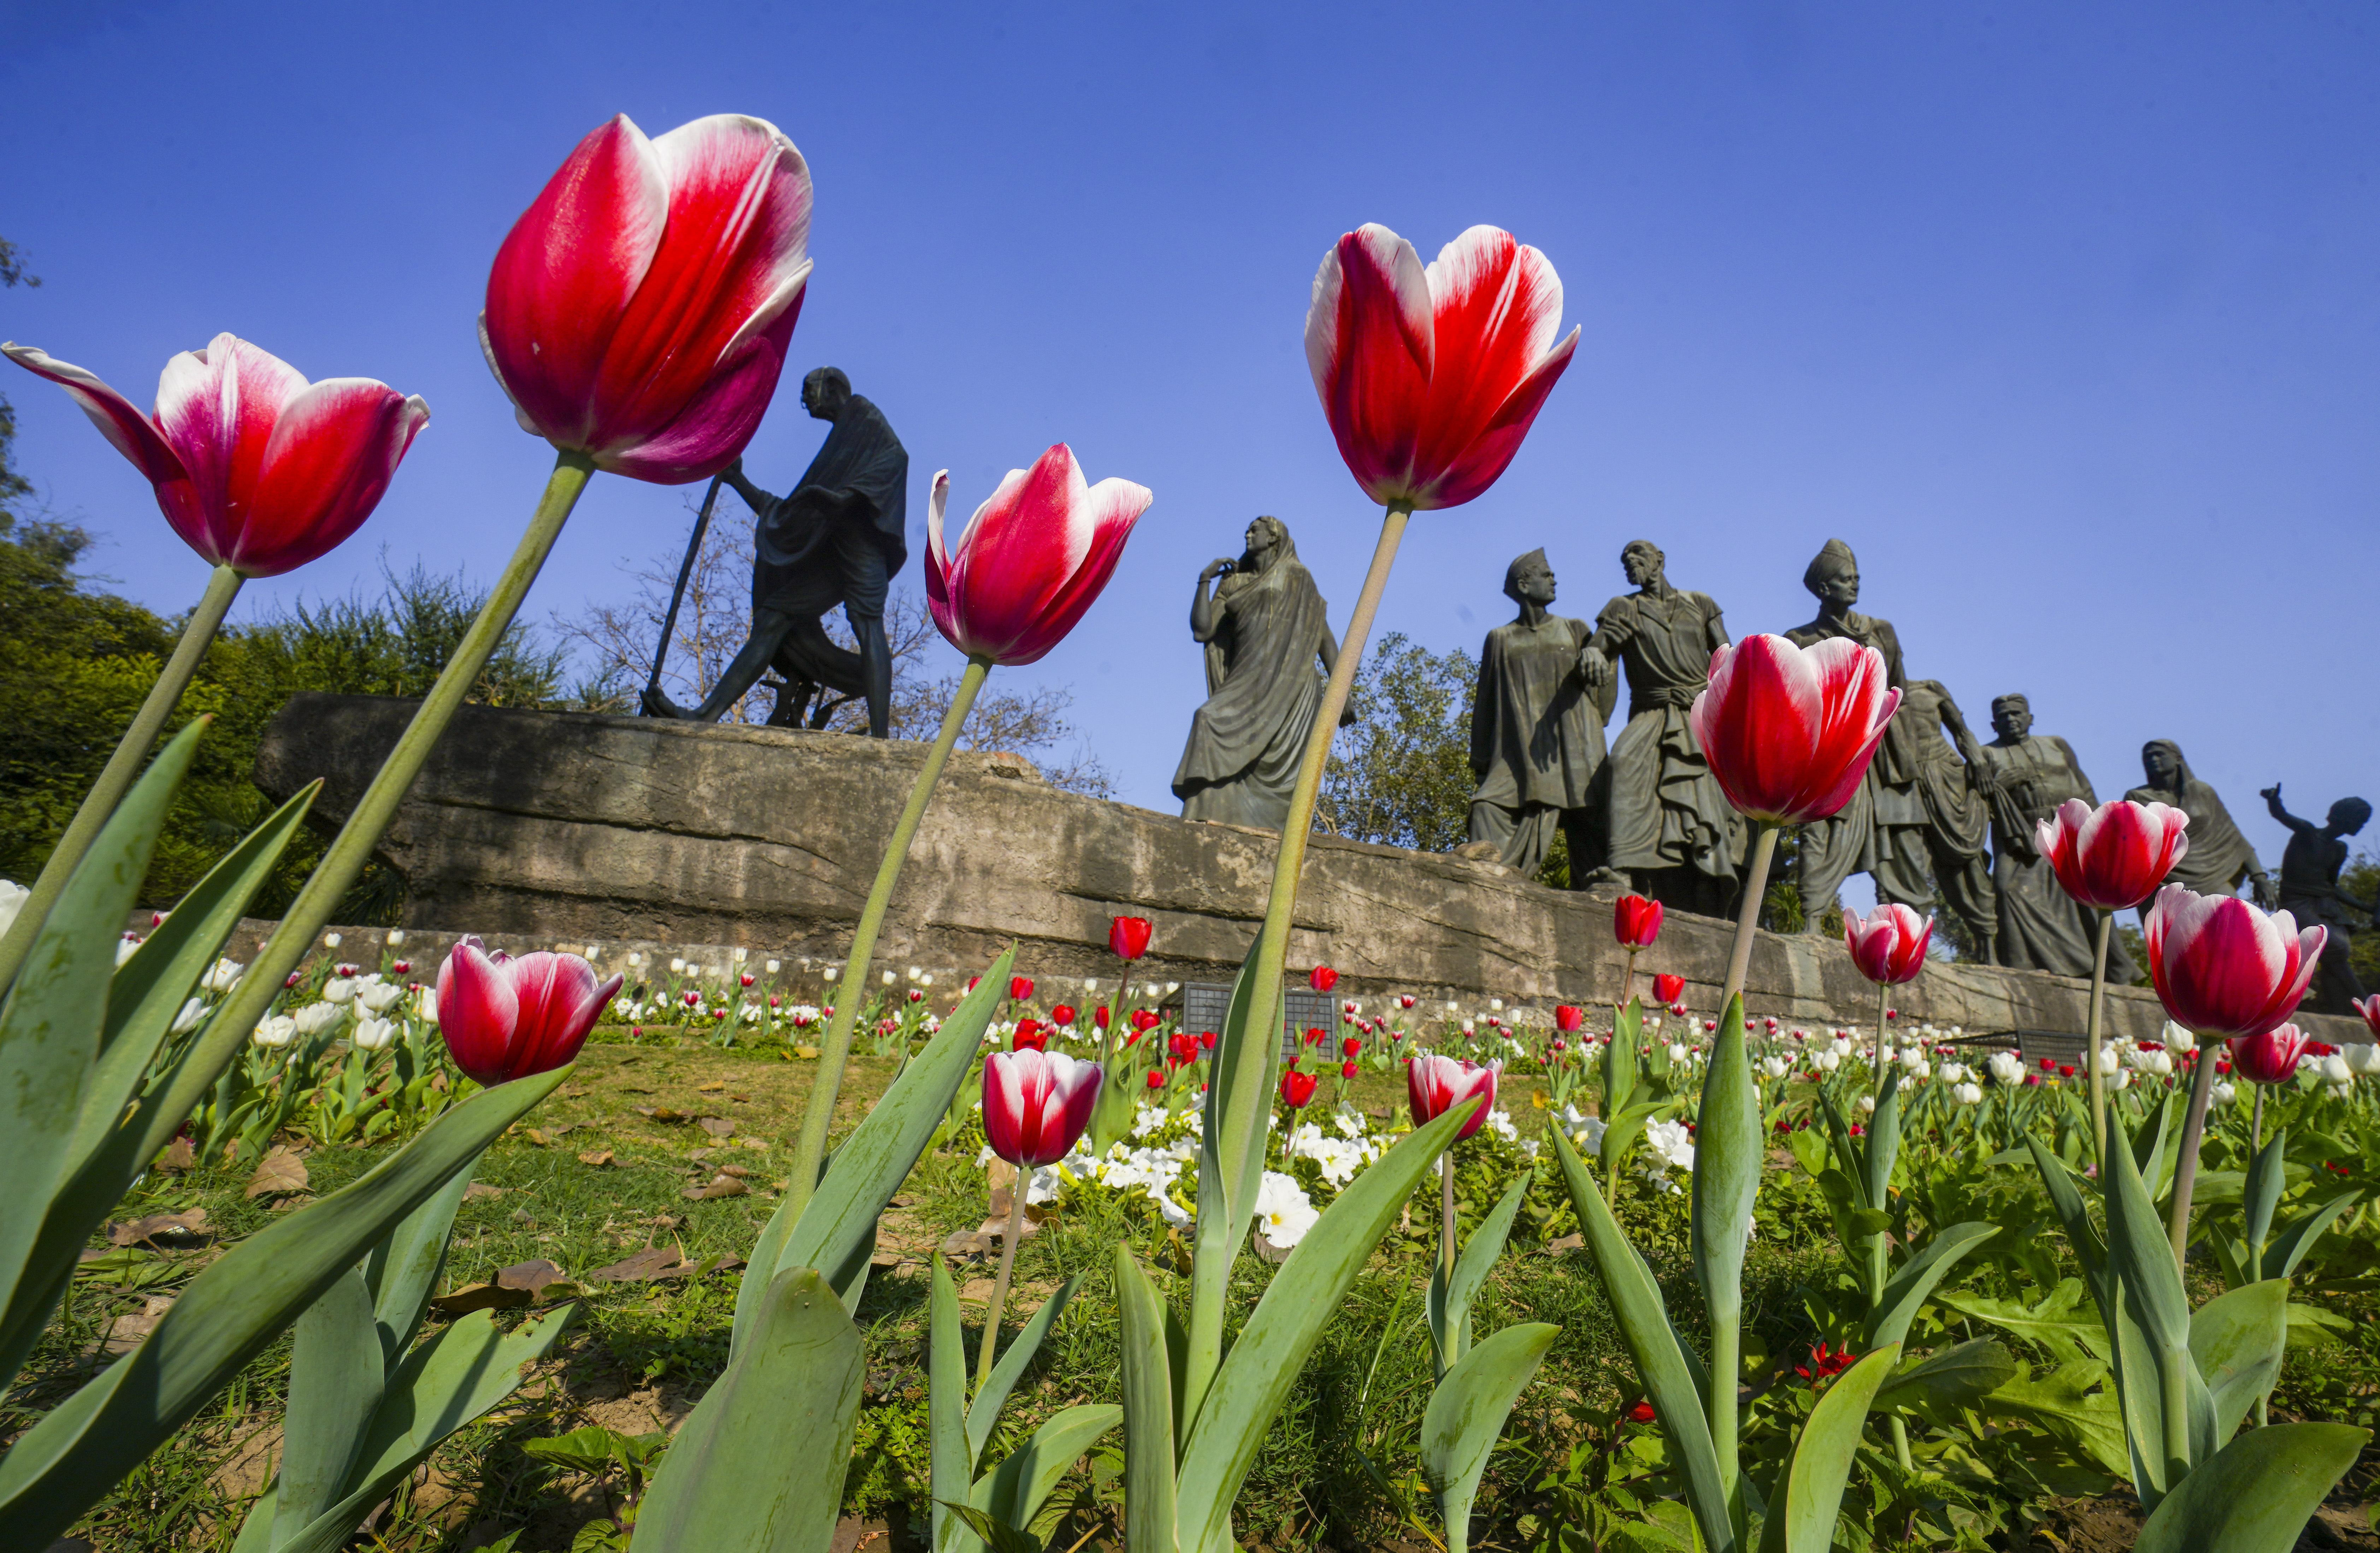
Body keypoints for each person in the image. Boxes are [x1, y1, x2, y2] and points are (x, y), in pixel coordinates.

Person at [642, 368, 908, 736]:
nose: (804, 401)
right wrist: (738, 481)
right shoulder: (840, 440)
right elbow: (789, 515)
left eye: (808, 391)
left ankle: (881, 738)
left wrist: (847, 497)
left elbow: (897, 457)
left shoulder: (862, 415)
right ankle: (705, 716)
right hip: (831, 552)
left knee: (867, 625)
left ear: (831, 387)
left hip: (863, 542)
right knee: (773, 618)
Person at [1577, 540, 1741, 916]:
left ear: (1659, 560)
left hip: (1697, 711)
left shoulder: (1700, 603)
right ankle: (1620, 868)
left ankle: (1706, 874)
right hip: (1651, 711)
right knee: (1621, 763)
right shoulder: (1625, 607)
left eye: (1637, 556)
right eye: (1625, 561)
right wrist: (1591, 651)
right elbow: (1600, 646)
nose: (1630, 564)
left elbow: (1727, 654)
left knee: (1711, 790)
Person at [1172, 517, 1345, 830]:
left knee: (1278, 764)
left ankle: (1278, 834)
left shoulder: (1298, 578)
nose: (1247, 535)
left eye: (1255, 530)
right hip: (1247, 675)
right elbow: (1203, 630)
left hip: (1293, 681)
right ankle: (1206, 812)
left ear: (1274, 538)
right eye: (1248, 530)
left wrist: (1342, 689)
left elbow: (1323, 636)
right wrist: (1204, 580)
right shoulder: (1234, 582)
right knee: (1207, 718)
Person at [1466, 549, 1612, 878]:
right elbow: (1485, 704)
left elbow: (1603, 695)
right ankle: (1489, 884)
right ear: (1524, 584)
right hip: (1518, 754)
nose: (1554, 580)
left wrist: (1602, 657)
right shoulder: (1500, 639)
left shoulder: (1575, 630)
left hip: (1576, 748)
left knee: (1594, 832)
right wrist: (1481, 762)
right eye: (1546, 575)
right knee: (1485, 808)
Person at [1974, 693, 2114, 975]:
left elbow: (2084, 787)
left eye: (2016, 714)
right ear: (1993, 725)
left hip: (2069, 830)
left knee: (2084, 896)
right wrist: (2003, 782)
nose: (2011, 720)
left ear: (2030, 718)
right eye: (2003, 717)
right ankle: (2026, 966)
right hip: (2021, 837)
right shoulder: (1987, 754)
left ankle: (2096, 969)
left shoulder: (2056, 744)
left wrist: (2102, 826)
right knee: (2007, 890)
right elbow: (1978, 798)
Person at [2261, 784, 2374, 1015]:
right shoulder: (2308, 834)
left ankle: (2343, 1011)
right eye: (2360, 820)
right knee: (2336, 946)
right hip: (2296, 904)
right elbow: (2281, 816)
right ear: (2346, 817)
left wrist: (2368, 908)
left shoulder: (2339, 849)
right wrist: (2274, 800)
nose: (2362, 826)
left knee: (2336, 956)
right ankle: (2367, 1008)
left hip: (2323, 905)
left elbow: (2332, 887)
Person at [2125, 742, 2273, 909]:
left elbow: (2234, 839)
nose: (2153, 759)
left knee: (2232, 921)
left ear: (2178, 759)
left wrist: (2259, 877)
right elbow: (2130, 844)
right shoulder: (2137, 797)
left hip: (2214, 876)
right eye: (2148, 757)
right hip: (2163, 881)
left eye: (2159, 754)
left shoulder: (2203, 792)